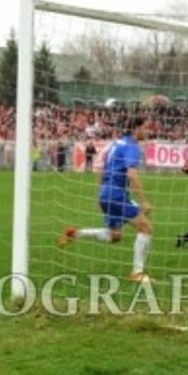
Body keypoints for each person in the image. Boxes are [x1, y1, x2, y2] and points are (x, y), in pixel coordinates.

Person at [58, 117, 155, 283]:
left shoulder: (115, 144)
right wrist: (144, 200)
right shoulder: (132, 147)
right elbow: (132, 174)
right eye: (146, 128)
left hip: (106, 193)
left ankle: (76, 233)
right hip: (117, 194)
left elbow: (101, 168)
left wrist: (99, 194)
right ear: (136, 129)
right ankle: (137, 273)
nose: (148, 132)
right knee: (146, 227)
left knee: (115, 236)